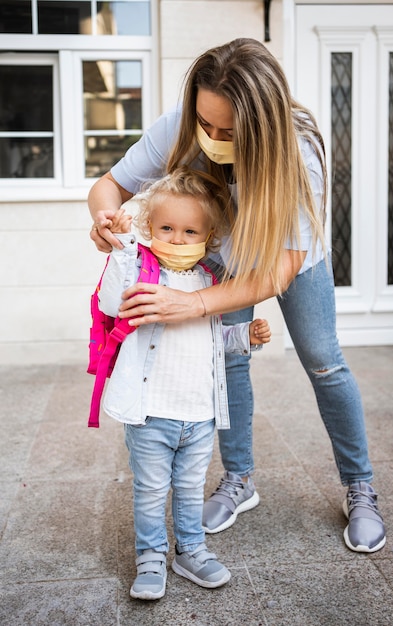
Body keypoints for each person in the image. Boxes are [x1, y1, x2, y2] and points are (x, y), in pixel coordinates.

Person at [88, 38, 386, 554]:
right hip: (224, 252)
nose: (212, 139)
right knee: (228, 363)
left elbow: (278, 272)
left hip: (288, 256)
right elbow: (109, 186)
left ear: (264, 123)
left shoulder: (299, 154)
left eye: (229, 131)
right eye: (206, 124)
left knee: (322, 359)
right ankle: (239, 480)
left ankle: (360, 487)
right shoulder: (180, 125)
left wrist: (193, 305)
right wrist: (104, 221)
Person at [97, 167, 271, 600]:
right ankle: (151, 556)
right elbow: (111, 302)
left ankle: (191, 549)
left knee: (192, 490)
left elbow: (215, 339)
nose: (176, 238)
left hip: (199, 414)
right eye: (167, 228)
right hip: (151, 413)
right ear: (149, 228)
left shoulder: (211, 284)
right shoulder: (141, 274)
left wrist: (244, 338)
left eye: (190, 231)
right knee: (152, 490)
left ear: (208, 237)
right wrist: (121, 250)